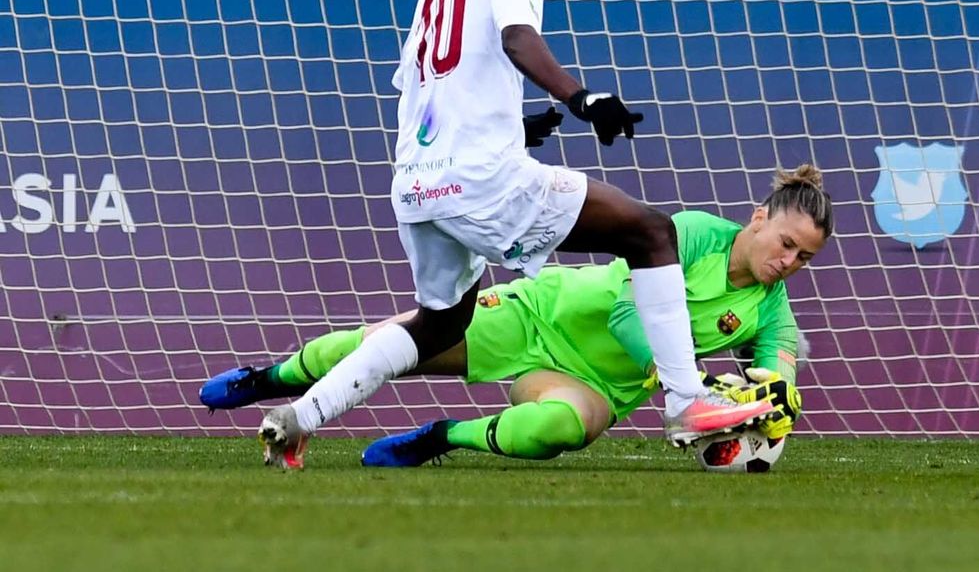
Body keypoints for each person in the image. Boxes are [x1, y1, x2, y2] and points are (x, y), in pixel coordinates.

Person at [254, 0, 775, 466]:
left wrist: (510, 128)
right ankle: (687, 401)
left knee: (440, 326)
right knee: (652, 233)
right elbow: (517, 38)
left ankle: (302, 415)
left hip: (418, 181)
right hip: (480, 180)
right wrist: (582, 98)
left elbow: (422, 88)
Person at [203, 166, 833, 468]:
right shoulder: (693, 235)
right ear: (758, 217)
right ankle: (270, 379)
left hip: (595, 386)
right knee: (388, 343)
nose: (789, 260)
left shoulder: (772, 312)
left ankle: (439, 438)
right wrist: (691, 388)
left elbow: (778, 375)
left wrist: (768, 409)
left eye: (804, 256)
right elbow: (625, 313)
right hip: (537, 316)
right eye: (785, 242)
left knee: (557, 431)